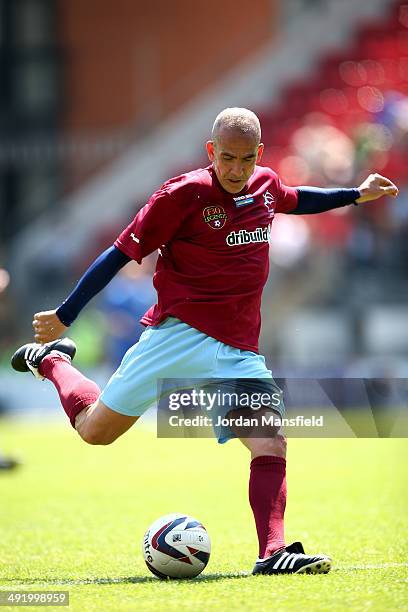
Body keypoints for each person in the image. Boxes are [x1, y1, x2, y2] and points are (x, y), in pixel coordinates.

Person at [11, 108, 398, 575]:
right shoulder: (181, 195)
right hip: (176, 336)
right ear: (211, 151)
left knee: (270, 442)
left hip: (238, 352)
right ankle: (53, 362)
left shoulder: (265, 185)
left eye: (246, 160)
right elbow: (119, 254)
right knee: (95, 431)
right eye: (228, 159)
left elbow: (298, 199)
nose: (237, 171)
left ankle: (273, 553)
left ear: (259, 155)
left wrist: (356, 194)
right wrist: (65, 315)